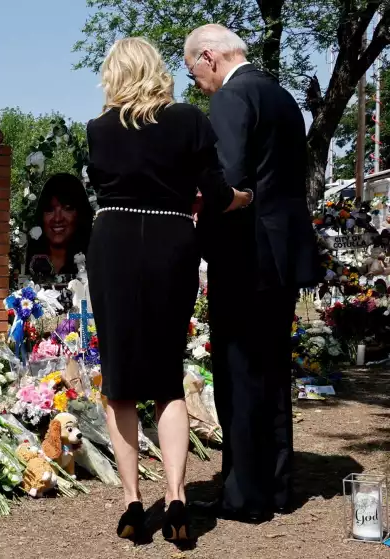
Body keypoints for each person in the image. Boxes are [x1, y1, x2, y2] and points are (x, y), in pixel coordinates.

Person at [86, 37, 252, 544]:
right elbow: (218, 192)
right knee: (166, 377)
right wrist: (242, 199)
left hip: (112, 244)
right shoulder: (188, 121)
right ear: (157, 70)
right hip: (170, 242)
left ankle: (133, 504)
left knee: (120, 383)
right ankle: (177, 495)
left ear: (114, 74)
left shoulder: (98, 129)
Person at [184, 24, 320, 523]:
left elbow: (230, 181)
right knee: (272, 372)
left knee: (239, 374)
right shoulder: (283, 99)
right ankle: (279, 486)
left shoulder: (231, 98)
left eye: (192, 71)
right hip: (281, 255)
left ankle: (244, 495)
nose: (195, 83)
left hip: (245, 256)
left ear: (209, 58)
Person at [25, 173, 93, 280]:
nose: (57, 218)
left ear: (80, 214)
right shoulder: (25, 260)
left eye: (67, 208)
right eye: (50, 209)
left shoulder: (96, 262)